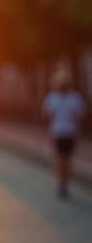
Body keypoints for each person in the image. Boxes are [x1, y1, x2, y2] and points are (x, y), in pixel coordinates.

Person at [42, 70, 87, 200]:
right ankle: (62, 183)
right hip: (58, 132)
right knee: (62, 158)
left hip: (69, 132)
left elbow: (46, 115)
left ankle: (63, 183)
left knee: (66, 159)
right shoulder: (54, 97)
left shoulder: (74, 97)